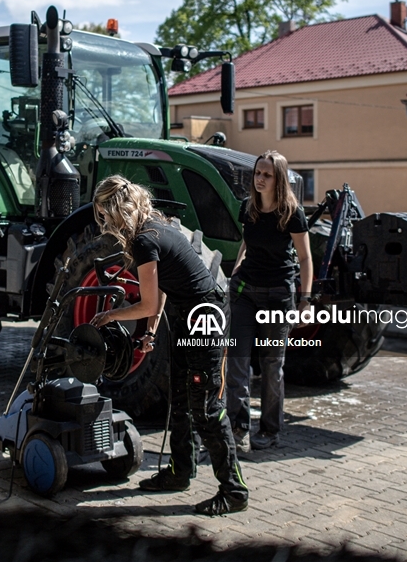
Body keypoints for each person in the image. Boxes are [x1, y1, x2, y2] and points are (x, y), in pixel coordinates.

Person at [88, 175, 248, 516]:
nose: (103, 222)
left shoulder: (146, 240)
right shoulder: (154, 227)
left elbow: (145, 301)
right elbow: (159, 290)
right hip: (184, 311)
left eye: (103, 215)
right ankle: (180, 471)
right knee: (178, 398)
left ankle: (234, 492)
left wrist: (112, 316)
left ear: (115, 211)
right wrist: (151, 330)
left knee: (205, 405)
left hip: (205, 314)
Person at [227, 151, 313, 452]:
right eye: (257, 173)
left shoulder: (292, 213)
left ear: (278, 179)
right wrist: (236, 269)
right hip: (245, 292)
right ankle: (236, 429)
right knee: (236, 362)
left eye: (267, 174)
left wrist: (305, 301)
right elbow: (247, 243)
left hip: (278, 294)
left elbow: (304, 257)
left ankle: (269, 429)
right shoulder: (248, 208)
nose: (260, 179)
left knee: (271, 365)